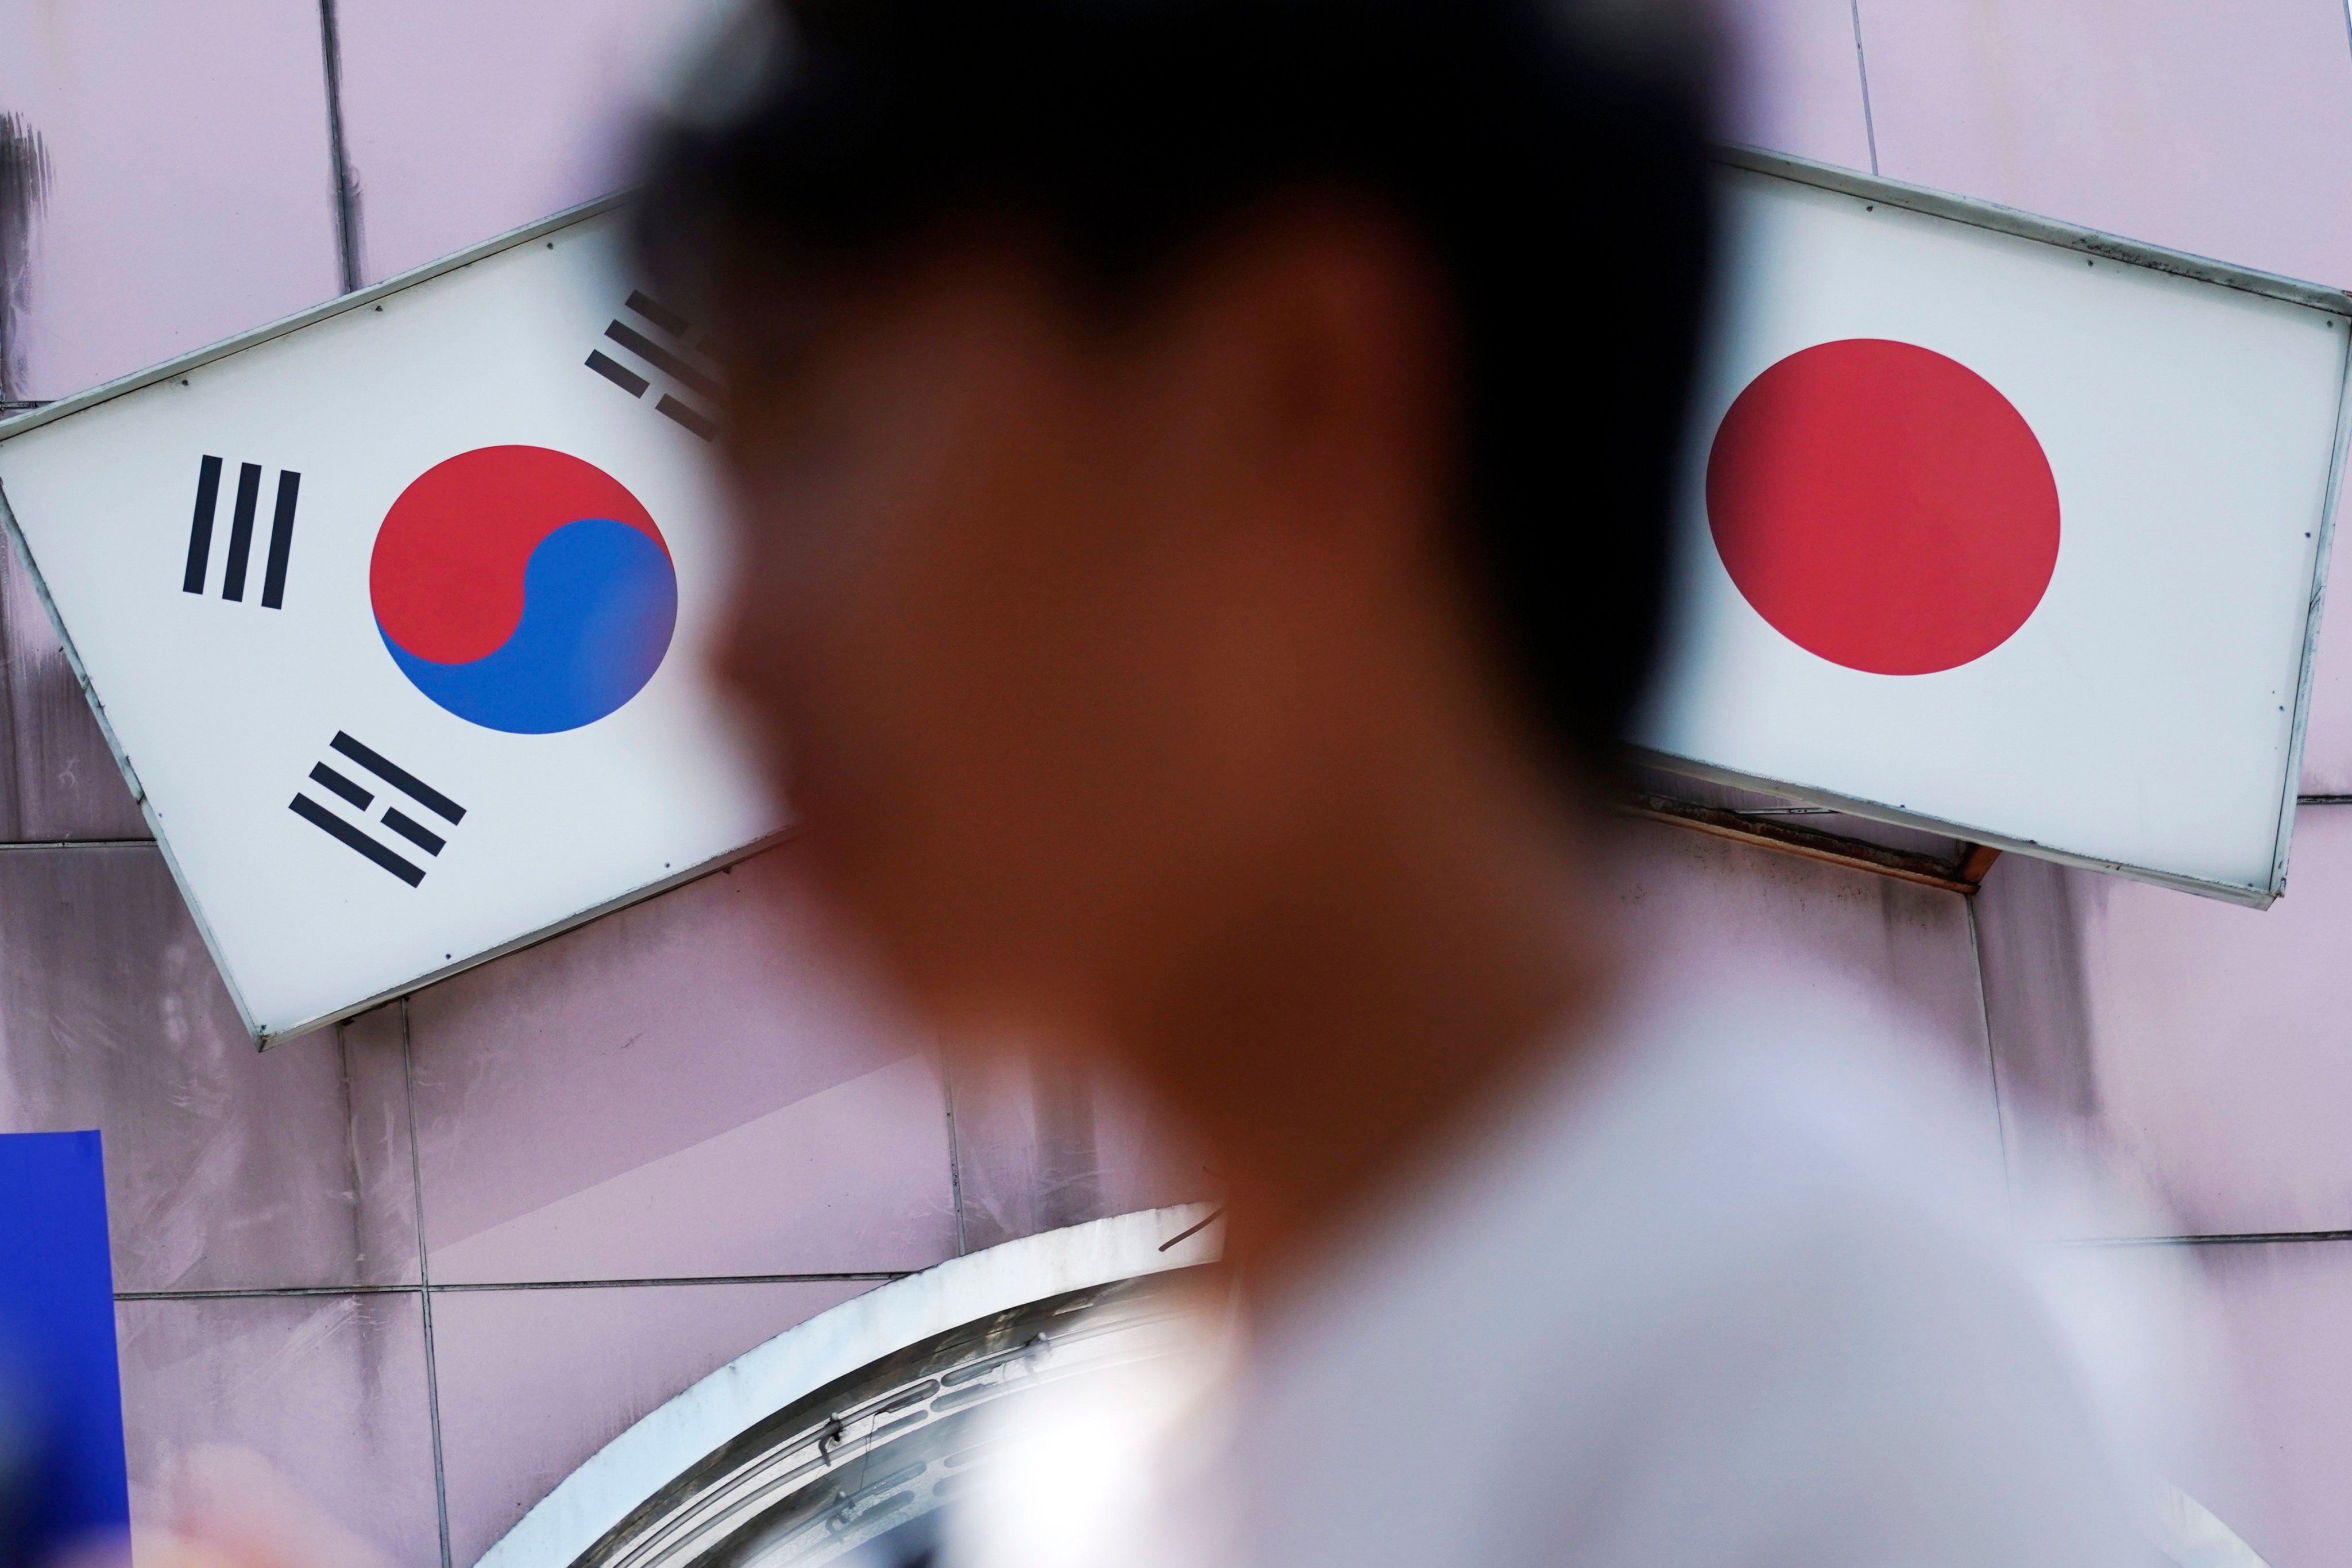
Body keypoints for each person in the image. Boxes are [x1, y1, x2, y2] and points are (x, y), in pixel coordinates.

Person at [636, 2, 2166, 1563]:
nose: (730, 646)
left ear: (1303, 394)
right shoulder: (1092, 1484)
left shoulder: (1822, 1368)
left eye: (808, 425)